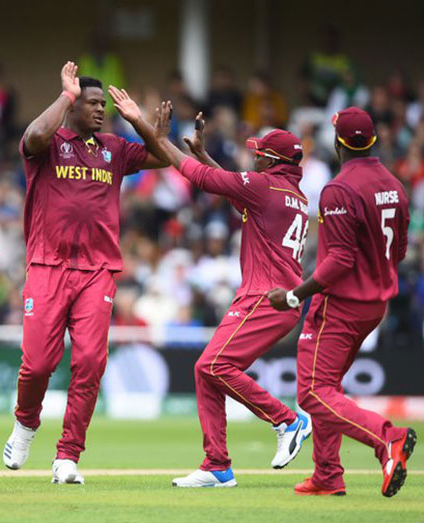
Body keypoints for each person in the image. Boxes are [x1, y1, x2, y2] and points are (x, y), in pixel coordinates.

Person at [130, 98, 313, 488]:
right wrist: (203, 154)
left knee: (215, 367)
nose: (254, 160)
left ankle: (288, 419)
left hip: (265, 297)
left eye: (259, 155)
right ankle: (217, 466)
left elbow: (201, 180)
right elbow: (234, 192)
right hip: (273, 298)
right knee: (205, 370)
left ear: (273, 163)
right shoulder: (289, 194)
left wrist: (158, 139)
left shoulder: (264, 187)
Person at [2, 62, 166, 484]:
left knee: (91, 361)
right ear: (74, 107)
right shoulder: (50, 142)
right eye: (92, 104)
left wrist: (138, 121)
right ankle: (25, 424)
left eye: (103, 106)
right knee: (37, 365)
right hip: (47, 265)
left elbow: (165, 156)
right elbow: (33, 136)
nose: (100, 111)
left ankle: (68, 455)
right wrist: (66, 95)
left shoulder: (113, 147)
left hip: (98, 270)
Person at [267, 107, 415, 497]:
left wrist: (294, 295)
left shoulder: (339, 189)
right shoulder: (394, 185)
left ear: (338, 143)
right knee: (328, 387)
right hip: (375, 304)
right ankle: (327, 475)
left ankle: (389, 440)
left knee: (313, 393)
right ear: (372, 141)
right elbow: (399, 250)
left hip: (341, 305)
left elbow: (339, 261)